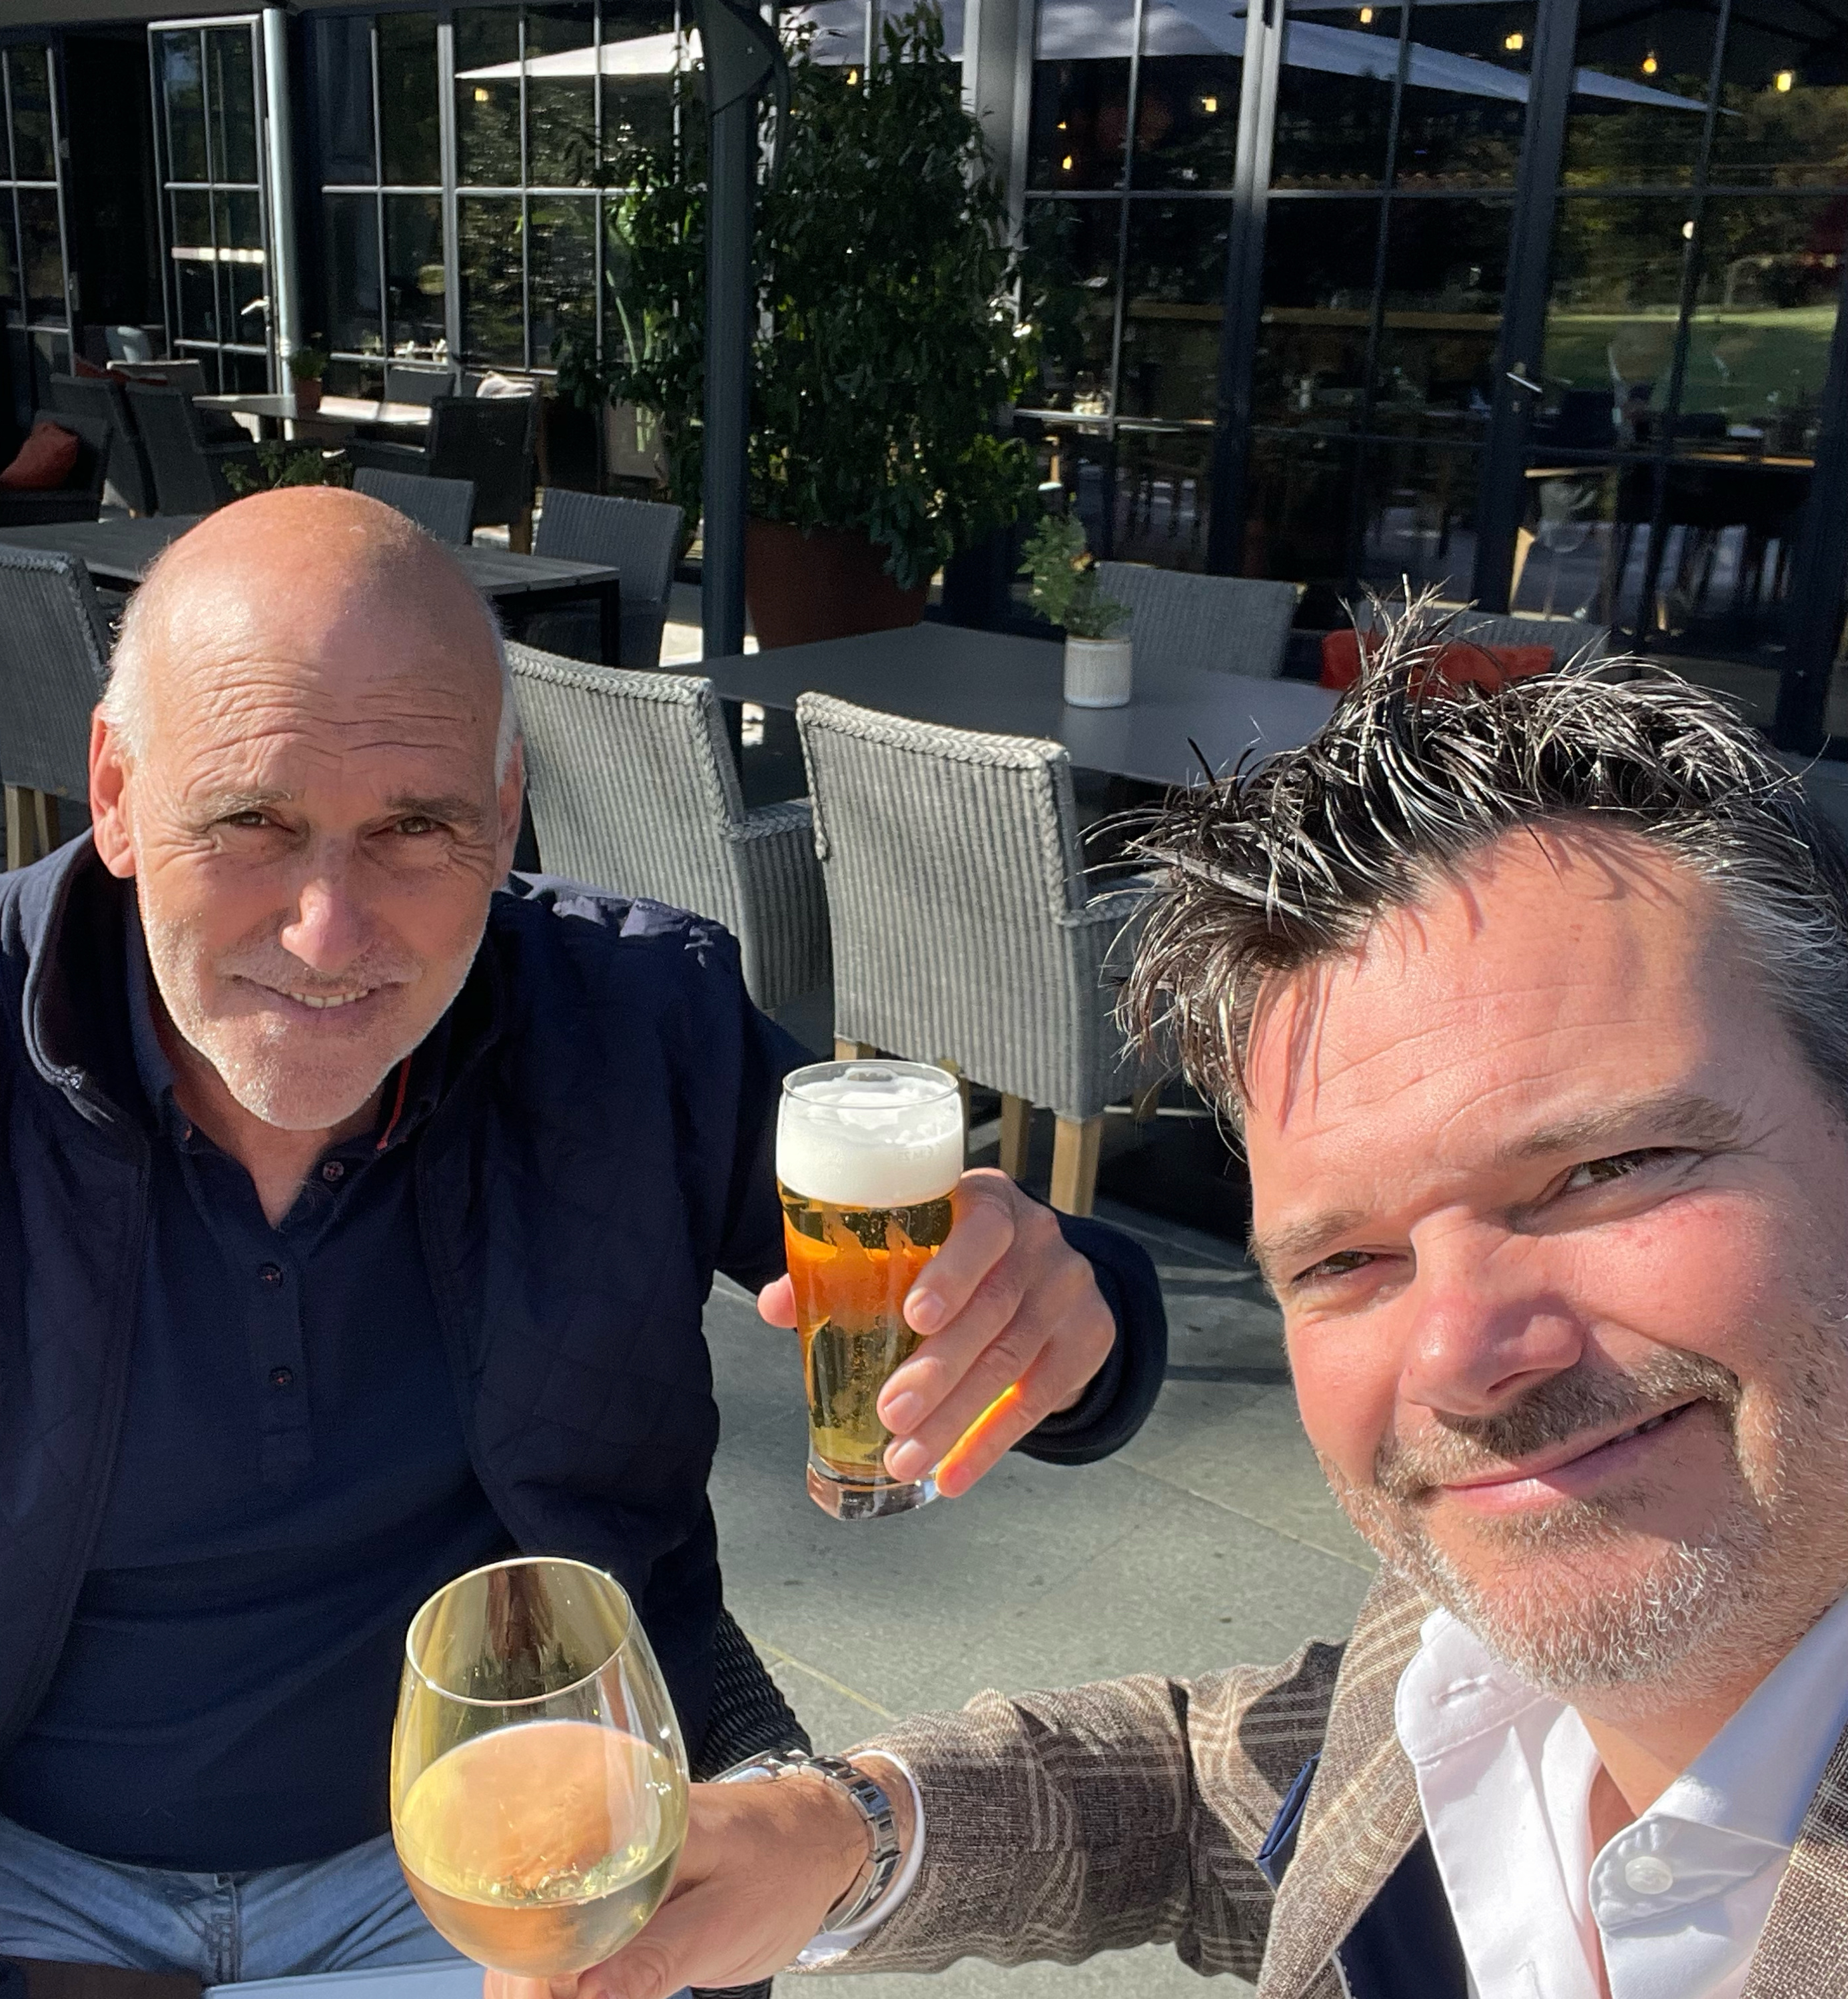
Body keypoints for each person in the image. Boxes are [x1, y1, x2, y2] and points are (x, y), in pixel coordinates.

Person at [0, 488, 1165, 1999]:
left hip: (514, 1859)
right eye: (251, 822)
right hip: (0, 1860)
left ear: (507, 808)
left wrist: (1064, 1317)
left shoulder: (633, 1024)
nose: (330, 932)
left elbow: (1052, 1315)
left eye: (415, 828)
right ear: (118, 793)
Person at [522, 614, 1848, 1999]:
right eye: (1345, 1261)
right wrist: (842, 1832)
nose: (1461, 1356)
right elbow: (1232, 1789)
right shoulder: (1452, 1659)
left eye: (1604, 1172)